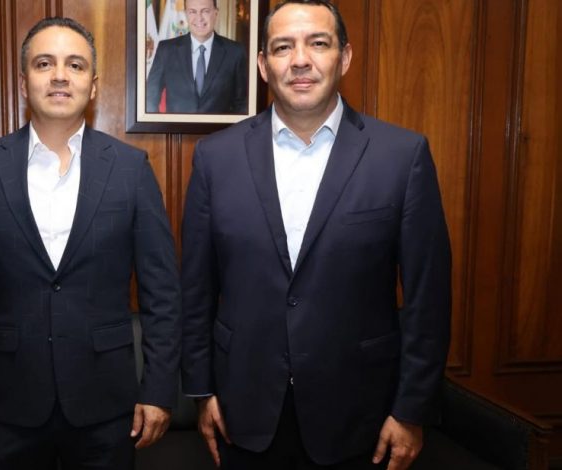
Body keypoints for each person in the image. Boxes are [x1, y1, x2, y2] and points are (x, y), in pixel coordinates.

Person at [181, 1, 451, 469]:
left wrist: (411, 410)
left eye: (318, 43)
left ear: (344, 57)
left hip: (361, 417)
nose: (300, 60)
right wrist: (202, 391)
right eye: (283, 47)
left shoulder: (402, 156)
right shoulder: (214, 158)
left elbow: (429, 299)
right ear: (263, 65)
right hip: (243, 411)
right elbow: (196, 290)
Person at [0, 16, 181, 469]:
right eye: (44, 63)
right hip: (7, 405)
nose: (60, 75)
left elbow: (162, 293)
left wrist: (160, 390)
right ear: (24, 83)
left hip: (106, 405)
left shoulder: (131, 170)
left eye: (75, 65)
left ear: (93, 86)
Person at [146, 0, 248, 114]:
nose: (199, 18)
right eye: (192, 12)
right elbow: (149, 99)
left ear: (216, 13)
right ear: (186, 14)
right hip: (176, 126)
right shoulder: (166, 51)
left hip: (221, 126)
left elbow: (242, 104)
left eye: (205, 11)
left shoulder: (235, 52)